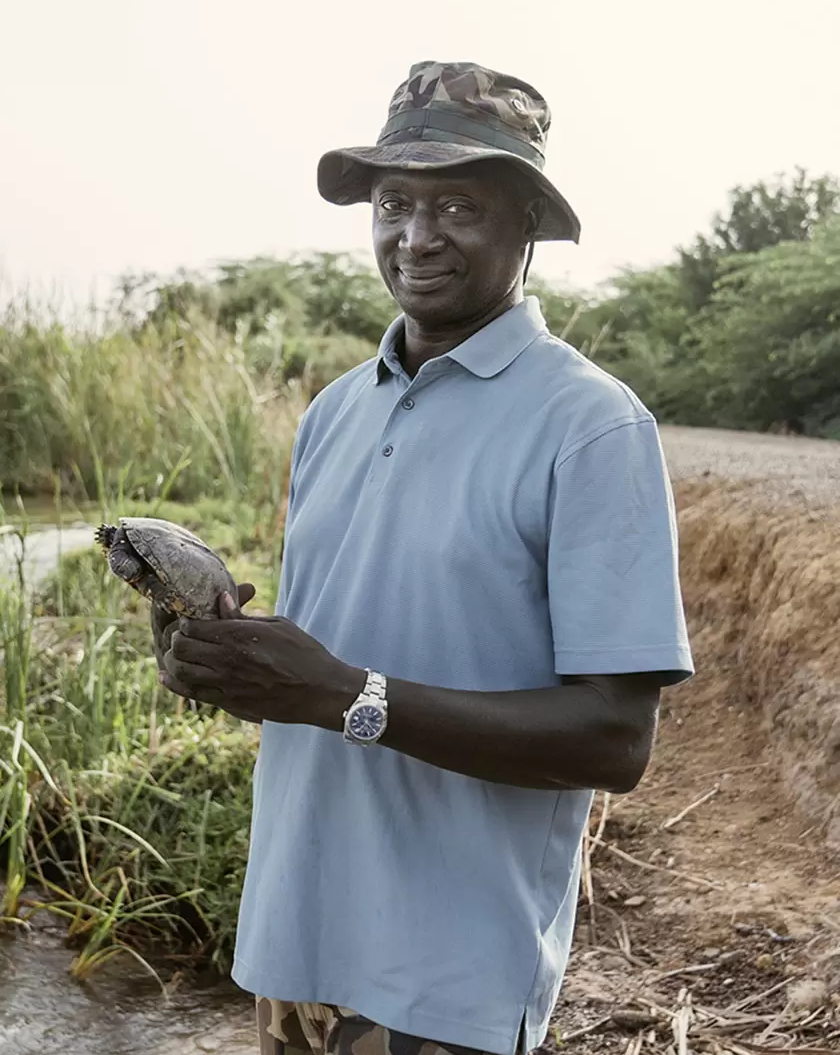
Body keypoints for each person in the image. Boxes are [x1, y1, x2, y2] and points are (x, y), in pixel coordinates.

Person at [154, 60, 694, 1055]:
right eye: (394, 201)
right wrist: (227, 653)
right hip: (293, 943)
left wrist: (340, 694)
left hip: (443, 983)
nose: (416, 235)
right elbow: (342, 649)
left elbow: (615, 741)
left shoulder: (590, 426)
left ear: (528, 221)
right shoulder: (333, 411)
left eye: (458, 205)